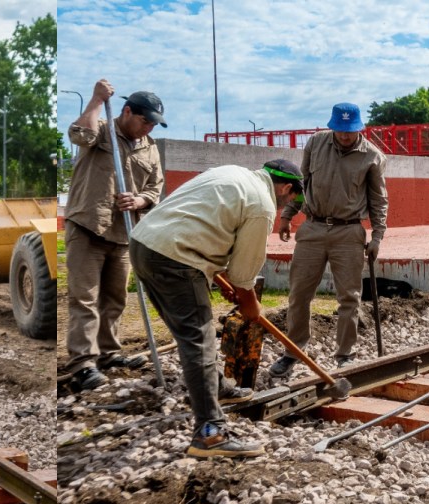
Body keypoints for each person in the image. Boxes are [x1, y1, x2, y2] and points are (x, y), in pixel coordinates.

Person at [129, 159, 303, 457]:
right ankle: (210, 432)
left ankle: (218, 388)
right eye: (293, 197)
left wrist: (218, 274)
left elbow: (203, 223)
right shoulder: (262, 205)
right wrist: (251, 306)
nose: (290, 202)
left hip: (145, 244)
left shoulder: (231, 173)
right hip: (176, 258)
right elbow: (244, 273)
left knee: (191, 336)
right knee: (199, 341)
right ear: (287, 187)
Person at [269, 103, 389, 378]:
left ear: (359, 128)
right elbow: (303, 183)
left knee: (349, 297)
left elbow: (379, 199)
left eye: (350, 131)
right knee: (299, 294)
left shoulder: (372, 156)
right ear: (331, 126)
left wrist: (378, 236)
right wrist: (287, 215)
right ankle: (293, 351)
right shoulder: (316, 143)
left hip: (349, 232)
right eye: (340, 131)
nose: (345, 136)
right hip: (312, 228)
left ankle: (346, 354)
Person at [63, 78, 165, 391]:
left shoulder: (150, 148)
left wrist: (140, 200)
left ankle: (108, 353)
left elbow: (155, 188)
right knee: (85, 299)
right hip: (88, 226)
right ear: (127, 111)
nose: (149, 128)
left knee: (115, 299)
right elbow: (79, 135)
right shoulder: (103, 128)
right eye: (145, 120)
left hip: (123, 233)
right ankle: (82, 364)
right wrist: (95, 99)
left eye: (154, 124)